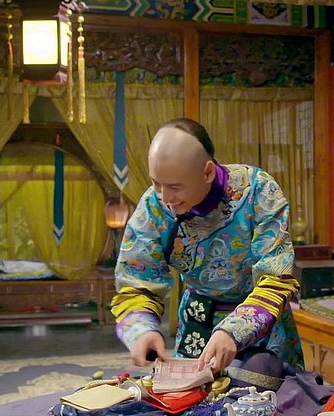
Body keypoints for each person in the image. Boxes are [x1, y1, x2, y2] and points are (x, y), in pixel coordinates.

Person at [110, 117, 303, 373]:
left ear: (208, 172)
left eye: (175, 187)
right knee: (193, 395)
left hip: (264, 325)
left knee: (265, 393)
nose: (165, 198)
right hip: (198, 324)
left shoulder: (258, 191)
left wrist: (234, 331)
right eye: (156, 183)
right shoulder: (153, 207)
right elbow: (136, 282)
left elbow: (276, 277)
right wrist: (142, 330)